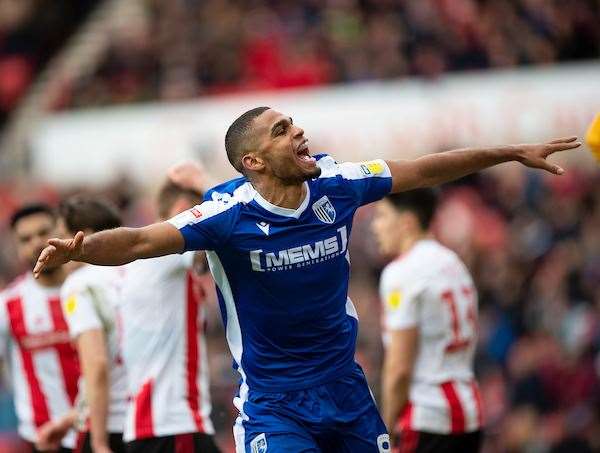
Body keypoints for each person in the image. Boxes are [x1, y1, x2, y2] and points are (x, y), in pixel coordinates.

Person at [33, 106, 580, 452]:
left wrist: (510, 153)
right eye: (281, 131)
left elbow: (426, 168)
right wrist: (83, 249)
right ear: (254, 160)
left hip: (345, 390)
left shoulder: (338, 183)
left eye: (293, 123)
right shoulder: (227, 216)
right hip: (274, 403)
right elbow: (142, 241)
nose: (298, 131)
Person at [117, 165, 220, 453]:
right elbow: (236, 215)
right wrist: (205, 183)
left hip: (151, 425)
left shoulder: (142, 265)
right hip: (173, 424)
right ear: (184, 209)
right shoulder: (168, 256)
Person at [372, 189, 482, 453]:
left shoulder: (402, 273)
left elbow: (399, 369)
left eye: (383, 216)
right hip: (470, 412)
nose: (376, 227)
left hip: (427, 416)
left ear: (407, 223)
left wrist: (386, 428)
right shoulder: (453, 262)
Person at [36, 196, 127, 453]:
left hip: (110, 428)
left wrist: (98, 443)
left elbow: (97, 364)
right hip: (148, 424)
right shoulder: (137, 274)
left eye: (60, 236)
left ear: (81, 237)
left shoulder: (81, 284)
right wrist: (70, 419)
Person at [0, 203, 80, 452]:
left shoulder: (94, 288)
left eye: (43, 232)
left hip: (102, 429)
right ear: (17, 248)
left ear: (62, 231)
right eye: (25, 239)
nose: (37, 243)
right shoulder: (8, 305)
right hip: (44, 440)